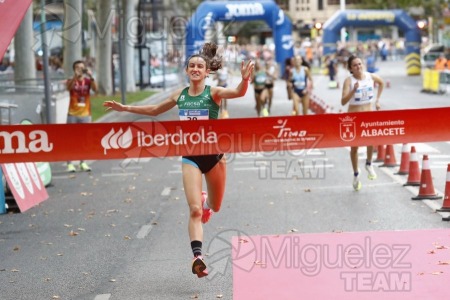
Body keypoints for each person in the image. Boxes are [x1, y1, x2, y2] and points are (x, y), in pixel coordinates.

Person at [103, 43, 254, 278]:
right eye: (192, 65)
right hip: (190, 157)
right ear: (187, 70)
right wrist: (124, 107)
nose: (195, 68)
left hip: (214, 158)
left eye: (200, 66)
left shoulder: (213, 93)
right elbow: (154, 110)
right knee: (193, 211)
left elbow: (237, 93)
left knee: (214, 206)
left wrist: (244, 80)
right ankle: (198, 258)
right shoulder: (180, 95)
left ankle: (207, 204)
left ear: (206, 72)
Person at [341, 55, 384, 191]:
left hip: (368, 116)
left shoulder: (370, 76)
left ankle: (368, 164)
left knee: (371, 141)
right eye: (355, 65)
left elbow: (382, 83)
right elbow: (343, 101)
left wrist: (377, 100)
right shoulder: (349, 81)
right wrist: (353, 90)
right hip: (353, 118)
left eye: (360, 64)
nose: (358, 67)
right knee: (355, 148)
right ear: (350, 68)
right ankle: (356, 174)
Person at [66, 60, 98, 172]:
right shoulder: (71, 80)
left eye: (82, 68)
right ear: (74, 69)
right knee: (70, 139)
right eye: (77, 68)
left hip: (85, 114)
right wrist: (75, 76)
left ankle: (82, 162)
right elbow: (68, 88)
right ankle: (69, 163)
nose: (80, 70)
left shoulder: (88, 81)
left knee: (83, 140)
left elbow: (95, 89)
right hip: (72, 114)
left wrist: (91, 76)